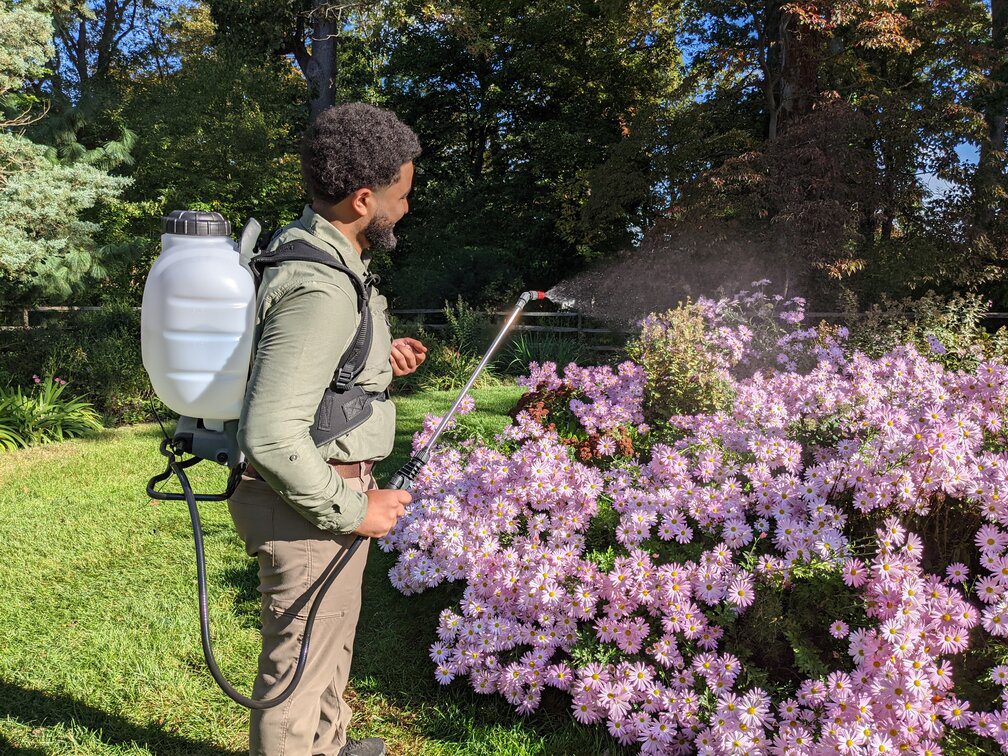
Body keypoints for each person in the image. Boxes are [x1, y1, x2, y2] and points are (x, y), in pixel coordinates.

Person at [228, 102, 427, 756]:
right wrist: (355, 510)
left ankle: (329, 746)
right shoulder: (320, 284)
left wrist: (374, 365)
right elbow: (272, 433)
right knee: (296, 673)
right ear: (365, 199)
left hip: (318, 500)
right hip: (306, 506)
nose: (406, 206)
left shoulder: (333, 258)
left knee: (328, 645)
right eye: (401, 194)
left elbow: (317, 379)